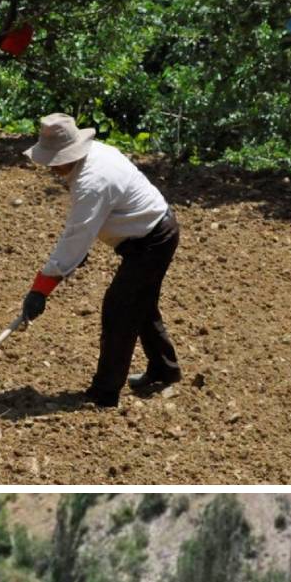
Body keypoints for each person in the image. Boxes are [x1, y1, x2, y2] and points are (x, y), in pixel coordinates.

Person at [19, 113, 180, 408]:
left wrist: (40, 288)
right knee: (139, 304)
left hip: (152, 239)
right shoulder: (95, 156)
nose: (52, 169)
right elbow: (89, 227)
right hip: (153, 231)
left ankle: (105, 393)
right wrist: (73, 259)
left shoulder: (92, 181)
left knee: (119, 308)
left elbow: (76, 236)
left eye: (55, 161)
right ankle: (164, 369)